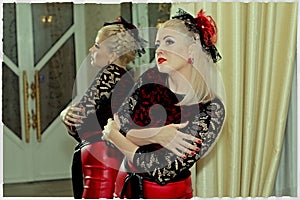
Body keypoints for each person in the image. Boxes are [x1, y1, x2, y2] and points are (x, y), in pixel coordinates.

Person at [102, 8, 226, 199]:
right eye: (158, 43)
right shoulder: (150, 79)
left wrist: (115, 136)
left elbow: (161, 171)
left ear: (191, 50)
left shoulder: (210, 109)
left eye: (169, 41)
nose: (159, 49)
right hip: (124, 189)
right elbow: (121, 122)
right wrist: (156, 135)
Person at [60, 17, 146, 199]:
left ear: (112, 55)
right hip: (112, 154)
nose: (91, 49)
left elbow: (78, 123)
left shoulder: (110, 74)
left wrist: (66, 117)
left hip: (101, 157)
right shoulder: (126, 77)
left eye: (97, 46)